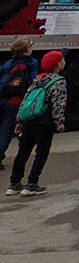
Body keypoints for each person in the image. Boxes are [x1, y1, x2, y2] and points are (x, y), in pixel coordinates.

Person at [6, 50, 68, 197]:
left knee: (23, 152)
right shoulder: (59, 81)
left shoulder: (38, 79)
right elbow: (59, 103)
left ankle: (14, 184)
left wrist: (19, 120)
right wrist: (59, 122)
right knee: (41, 153)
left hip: (29, 121)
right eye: (62, 60)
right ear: (58, 64)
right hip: (44, 122)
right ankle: (32, 183)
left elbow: (26, 100)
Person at [0, 38, 40, 171]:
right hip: (21, 102)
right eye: (30, 46)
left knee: (5, 130)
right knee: (20, 131)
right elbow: (33, 82)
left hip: (6, 101)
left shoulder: (9, 63)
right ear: (26, 50)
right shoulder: (31, 63)